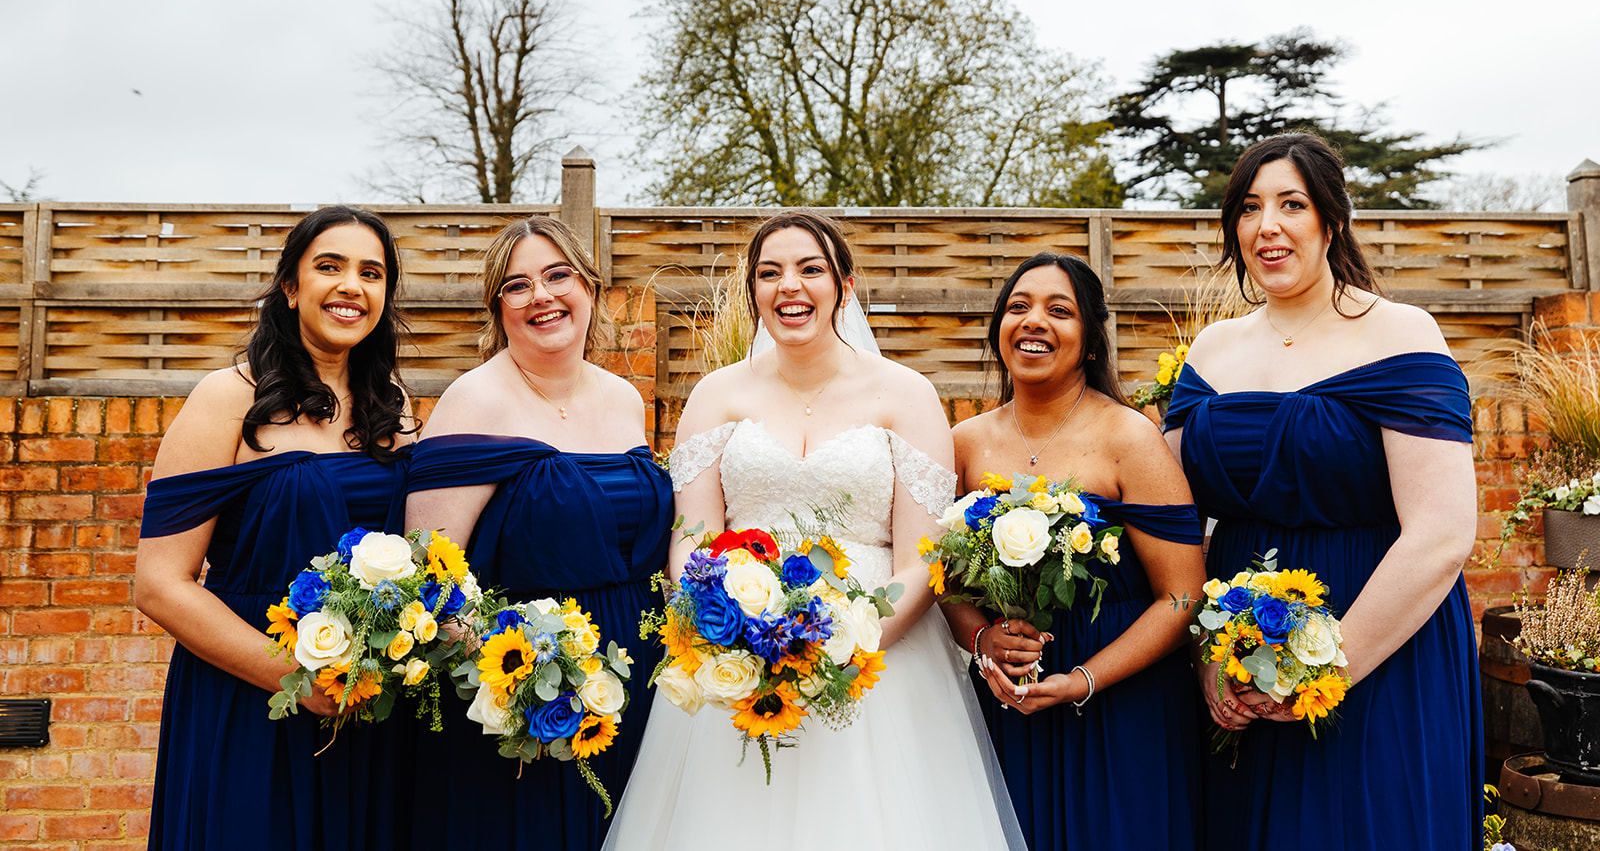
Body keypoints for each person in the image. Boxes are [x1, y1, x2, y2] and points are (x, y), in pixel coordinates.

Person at [601, 210, 1027, 851]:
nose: (788, 287)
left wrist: (850, 644)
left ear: (845, 287)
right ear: (754, 292)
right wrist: (734, 630)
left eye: (810, 269)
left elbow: (922, 557)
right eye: (769, 273)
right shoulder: (716, 396)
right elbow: (692, 538)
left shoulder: (905, 395)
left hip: (881, 660)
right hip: (737, 650)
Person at [1163, 132, 1481, 849]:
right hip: (1237, 659)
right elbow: (1171, 521)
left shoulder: (1400, 334)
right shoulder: (1212, 350)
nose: (1266, 225)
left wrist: (1323, 669)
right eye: (1249, 207)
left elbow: (1441, 533)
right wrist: (1207, 653)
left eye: (1290, 204)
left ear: (1331, 220)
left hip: (1377, 650)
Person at [134, 205, 416, 851]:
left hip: (366, 705)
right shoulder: (226, 397)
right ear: (290, 287)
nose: (352, 285)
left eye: (371, 272)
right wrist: (296, 676)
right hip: (250, 699)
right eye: (329, 266)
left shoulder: (395, 409)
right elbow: (160, 583)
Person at [404, 214, 673, 851]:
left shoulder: (623, 397)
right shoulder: (475, 402)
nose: (543, 296)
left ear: (590, 287)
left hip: (638, 675)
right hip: (533, 688)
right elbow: (431, 575)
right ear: (498, 308)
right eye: (518, 285)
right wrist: (525, 679)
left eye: (558, 276)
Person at [944, 252, 1205, 851]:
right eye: (1018, 307)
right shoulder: (963, 443)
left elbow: (1181, 593)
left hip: (1119, 702)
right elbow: (940, 580)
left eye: (1058, 311)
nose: (1034, 321)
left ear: (1090, 342)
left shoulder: (1129, 438)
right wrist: (982, 639)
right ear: (998, 331)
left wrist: (1083, 679)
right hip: (1007, 698)